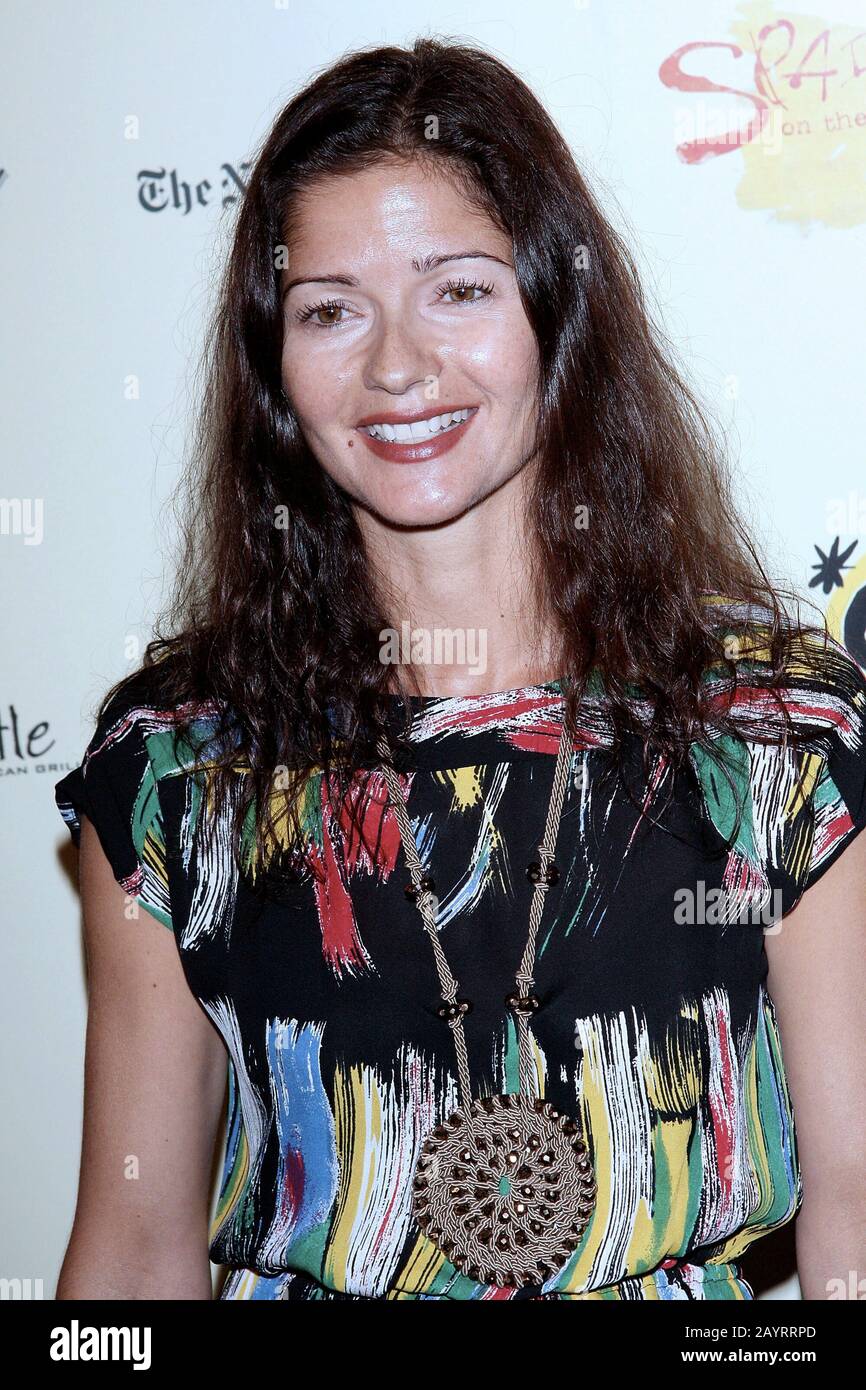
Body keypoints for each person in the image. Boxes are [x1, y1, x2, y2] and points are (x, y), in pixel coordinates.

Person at [54, 37, 866, 1302]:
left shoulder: (769, 737)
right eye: (330, 309)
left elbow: (854, 1220)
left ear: (558, 306)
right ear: (274, 367)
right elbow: (131, 1250)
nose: (393, 366)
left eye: (458, 291)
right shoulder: (180, 766)